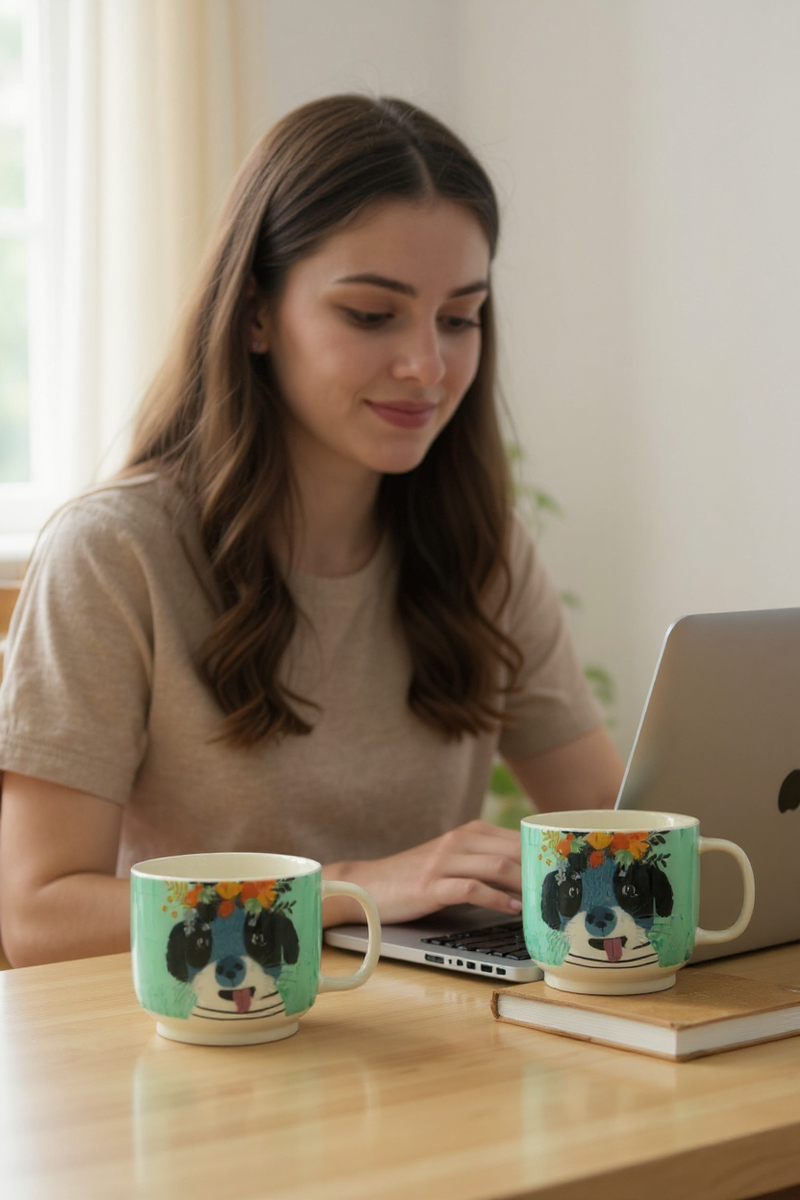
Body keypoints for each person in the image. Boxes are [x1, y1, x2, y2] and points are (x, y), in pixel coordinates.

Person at [0, 94, 623, 967]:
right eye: (372, 315)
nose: (427, 367)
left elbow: (615, 821)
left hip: (432, 1041)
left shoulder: (481, 548)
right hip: (203, 1052)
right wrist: (351, 888)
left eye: (459, 317)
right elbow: (36, 918)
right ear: (256, 313)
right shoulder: (113, 554)